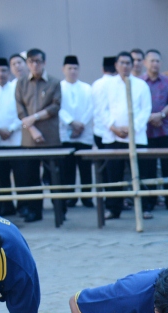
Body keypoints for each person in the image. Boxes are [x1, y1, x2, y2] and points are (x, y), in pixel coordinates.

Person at [100, 52, 150, 220]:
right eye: (122, 63)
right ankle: (113, 208)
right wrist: (113, 127)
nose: (126, 66)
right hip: (114, 137)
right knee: (114, 176)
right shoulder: (107, 85)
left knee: (140, 174)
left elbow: (145, 110)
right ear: (116, 65)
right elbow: (103, 109)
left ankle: (144, 208)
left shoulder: (141, 85)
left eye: (129, 63)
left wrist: (132, 128)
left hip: (136, 137)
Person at [14, 48, 61, 223]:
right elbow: (20, 110)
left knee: (55, 177)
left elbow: (55, 107)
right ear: (27, 63)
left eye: (38, 61)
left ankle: (60, 210)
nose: (35, 64)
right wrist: (32, 128)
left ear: (44, 62)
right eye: (31, 61)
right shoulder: (21, 84)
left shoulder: (54, 82)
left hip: (50, 137)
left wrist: (35, 117)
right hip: (29, 138)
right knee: (30, 177)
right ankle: (34, 211)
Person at [140, 49, 168, 217]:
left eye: (157, 61)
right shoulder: (139, 82)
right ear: (145, 63)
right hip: (147, 131)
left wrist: (161, 115)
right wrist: (149, 117)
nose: (154, 64)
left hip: (167, 131)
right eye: (151, 61)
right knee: (147, 170)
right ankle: (149, 202)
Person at [58, 55, 95, 210]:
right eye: (69, 68)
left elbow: (91, 108)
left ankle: (87, 197)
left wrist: (81, 124)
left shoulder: (87, 88)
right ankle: (70, 198)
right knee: (68, 169)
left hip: (84, 133)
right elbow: (58, 108)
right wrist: (71, 123)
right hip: (66, 133)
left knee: (85, 168)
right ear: (63, 69)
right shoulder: (58, 87)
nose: (72, 71)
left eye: (75, 68)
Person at [0, 57, 22, 216]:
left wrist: (11, 128)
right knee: (0, 177)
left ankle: (23, 207)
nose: (0, 74)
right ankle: (6, 206)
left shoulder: (17, 88)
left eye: (3, 70)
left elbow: (22, 113)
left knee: (20, 176)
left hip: (16, 139)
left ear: (9, 72)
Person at [91, 56, 116, 148]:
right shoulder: (118, 84)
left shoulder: (96, 84)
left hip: (98, 130)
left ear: (102, 69)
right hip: (115, 132)